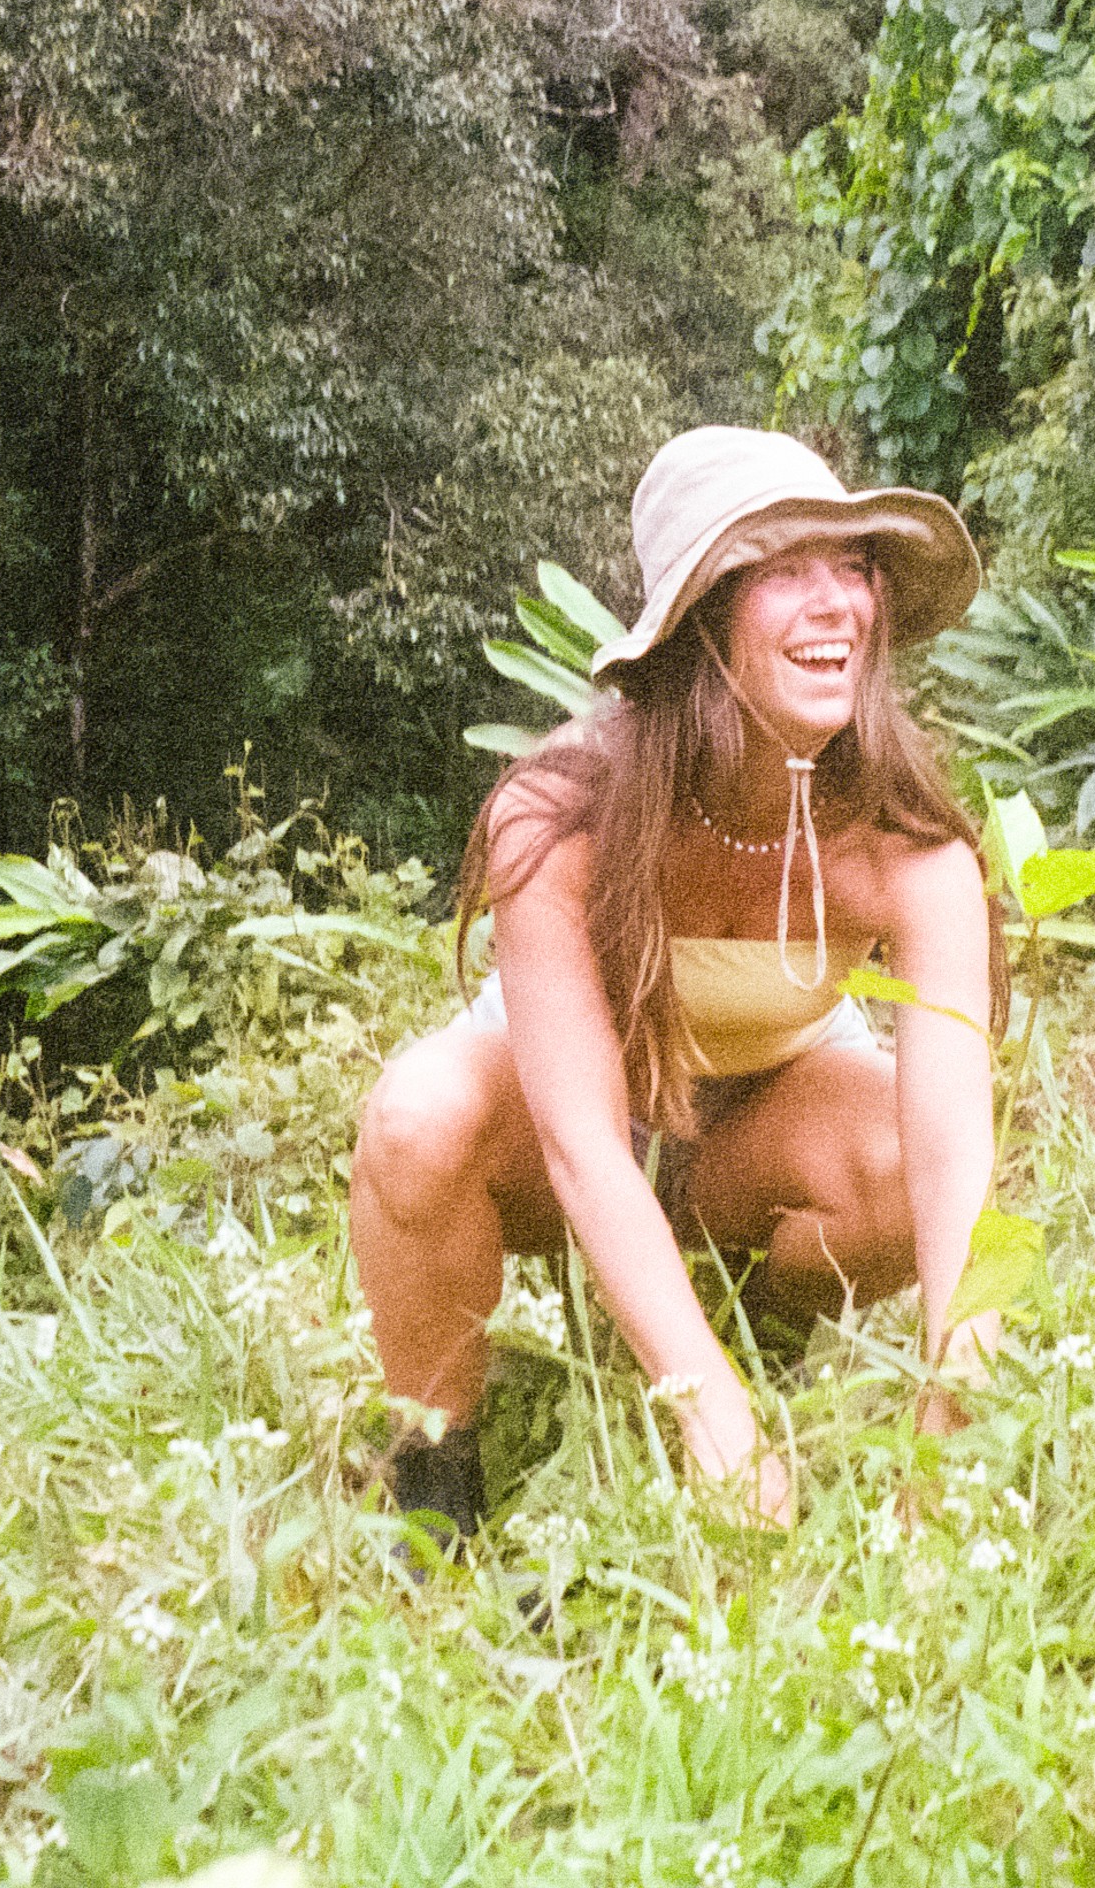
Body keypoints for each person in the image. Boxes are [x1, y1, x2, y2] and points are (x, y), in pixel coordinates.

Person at [349, 426, 1000, 1541]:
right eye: (784, 571)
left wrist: (955, 1403)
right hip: (572, 1130)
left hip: (756, 1131)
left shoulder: (907, 842)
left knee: (895, 1166)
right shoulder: (560, 818)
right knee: (415, 1124)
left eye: (852, 568)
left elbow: (951, 1147)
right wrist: (712, 1418)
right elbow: (584, 1147)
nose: (836, 602)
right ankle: (434, 1491)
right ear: (703, 620)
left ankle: (749, 1320)